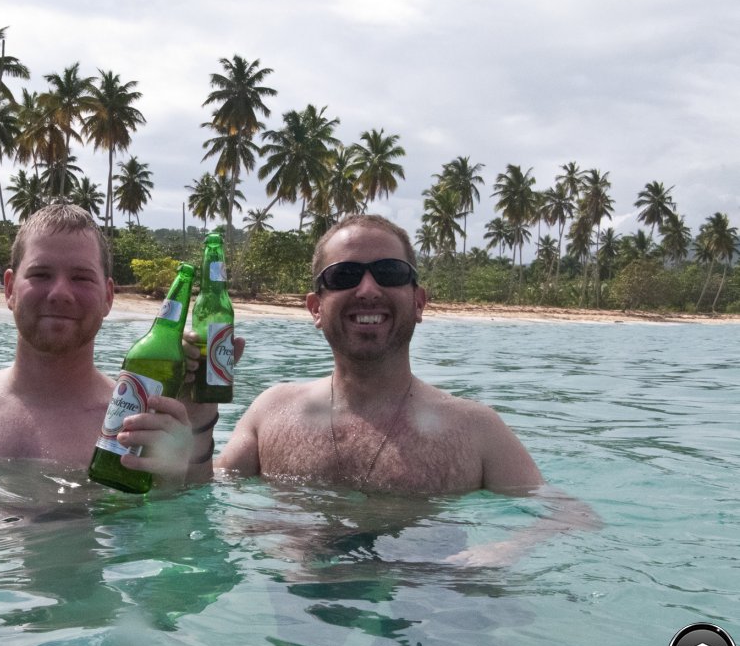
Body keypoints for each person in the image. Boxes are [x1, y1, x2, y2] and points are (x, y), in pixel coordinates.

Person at [188, 214, 598, 564]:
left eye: (389, 273)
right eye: (344, 275)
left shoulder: (476, 429)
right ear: (315, 308)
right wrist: (197, 415)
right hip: (306, 597)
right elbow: (200, 494)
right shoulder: (271, 411)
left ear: (418, 302)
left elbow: (572, 516)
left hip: (430, 604)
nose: (368, 289)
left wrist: (501, 552)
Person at [0, 203, 194, 485]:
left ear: (108, 297)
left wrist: (169, 488)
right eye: (41, 274)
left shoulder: (138, 430)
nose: (60, 293)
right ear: (9, 289)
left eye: (81, 277)